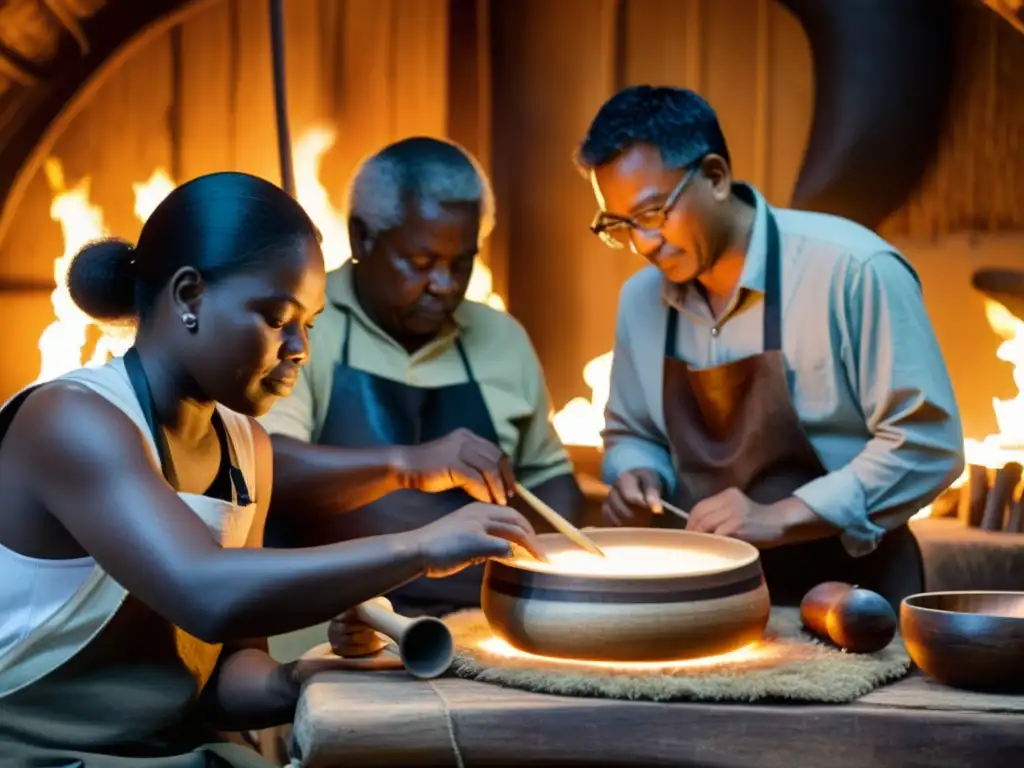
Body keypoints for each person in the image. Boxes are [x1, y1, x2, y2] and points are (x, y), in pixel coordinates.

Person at [0, 171, 538, 767]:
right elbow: (204, 592)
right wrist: (419, 547)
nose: (300, 347)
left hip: (174, 753)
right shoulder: (72, 419)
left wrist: (304, 678)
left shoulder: (245, 445)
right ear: (189, 297)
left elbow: (227, 674)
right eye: (278, 317)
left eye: (310, 323)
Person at [577, 85, 965, 609]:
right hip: (708, 597)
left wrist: (778, 515)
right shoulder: (639, 301)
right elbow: (631, 433)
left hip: (855, 594)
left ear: (715, 176)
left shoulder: (853, 270)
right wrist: (636, 472)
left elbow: (927, 444)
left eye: (652, 214)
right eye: (619, 226)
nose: (643, 244)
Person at [260, 136, 582, 631]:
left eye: (461, 263)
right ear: (362, 237)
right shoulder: (303, 325)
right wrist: (409, 465)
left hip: (481, 623)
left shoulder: (501, 339)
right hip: (336, 623)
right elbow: (266, 464)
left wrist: (547, 571)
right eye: (422, 262)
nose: (446, 285)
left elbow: (548, 475)